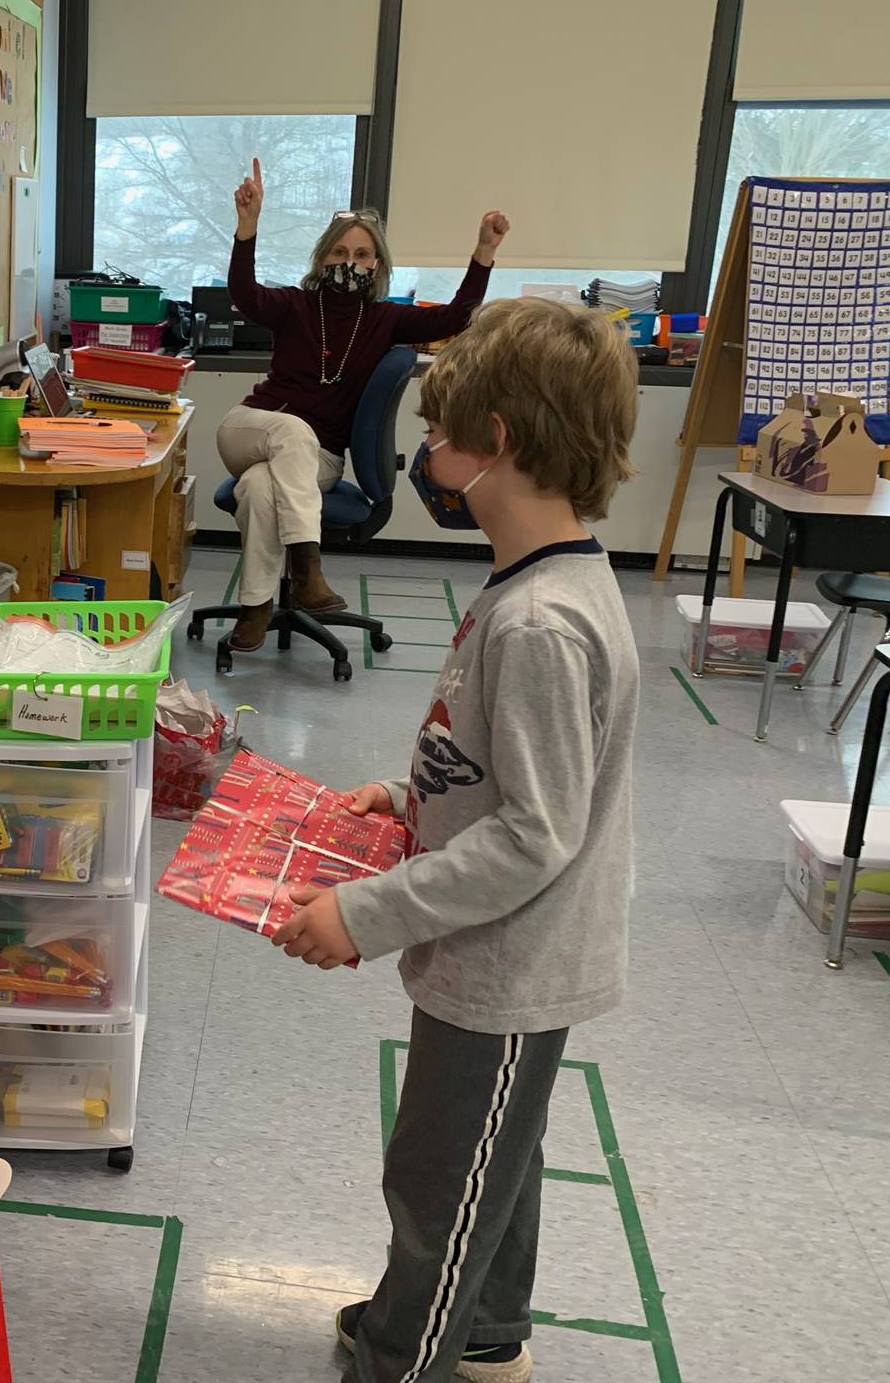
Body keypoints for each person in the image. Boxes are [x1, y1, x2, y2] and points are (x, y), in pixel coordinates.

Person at [270, 299, 642, 1383]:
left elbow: (536, 834)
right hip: (498, 951)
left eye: (438, 437)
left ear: (503, 446)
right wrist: (409, 797)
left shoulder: (539, 625)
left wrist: (363, 915)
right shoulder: (542, 582)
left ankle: (405, 1357)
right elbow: (508, 776)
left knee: (440, 1178)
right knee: (497, 1158)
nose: (426, 456)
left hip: (510, 960)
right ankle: (484, 1332)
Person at [220, 157, 509, 651]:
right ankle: (308, 569)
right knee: (291, 433)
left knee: (258, 489)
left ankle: (255, 607)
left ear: (376, 265)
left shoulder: (385, 320)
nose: (348, 262)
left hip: (319, 460)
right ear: (321, 259)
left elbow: (456, 316)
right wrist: (248, 228)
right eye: (338, 251)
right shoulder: (294, 305)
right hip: (252, 429)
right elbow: (244, 294)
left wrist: (484, 251)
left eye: (360, 253)